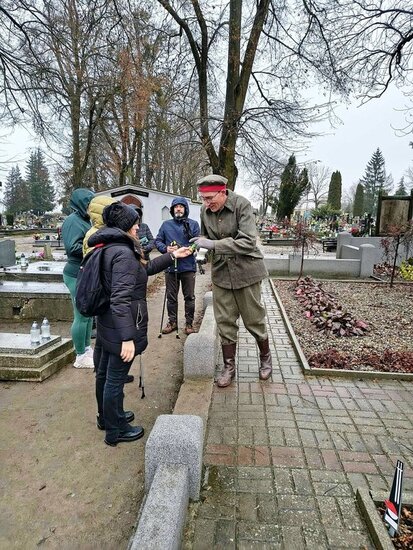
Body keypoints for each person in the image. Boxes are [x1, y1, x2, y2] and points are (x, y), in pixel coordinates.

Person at [87, 201, 192, 446]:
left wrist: (172, 256)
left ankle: (107, 417)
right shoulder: (124, 254)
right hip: (121, 326)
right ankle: (115, 430)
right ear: (124, 226)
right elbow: (120, 299)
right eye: (134, 224)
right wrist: (127, 338)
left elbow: (144, 270)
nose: (138, 227)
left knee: (104, 374)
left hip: (107, 323)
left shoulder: (110, 246)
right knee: (114, 379)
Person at [189, 174, 273, 387]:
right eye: (203, 198)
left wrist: (213, 245)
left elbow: (248, 242)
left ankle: (265, 358)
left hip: (247, 271)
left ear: (223, 192)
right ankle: (229, 367)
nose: (206, 203)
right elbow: (205, 237)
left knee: (253, 318)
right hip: (221, 273)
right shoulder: (205, 210)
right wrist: (199, 250)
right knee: (225, 321)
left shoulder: (241, 205)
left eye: (210, 198)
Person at [155, 197, 200, 335]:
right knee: (171, 297)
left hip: (188, 266)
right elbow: (158, 241)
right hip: (171, 266)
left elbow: (197, 242)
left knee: (189, 297)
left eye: (181, 206)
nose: (178, 209)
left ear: (185, 209)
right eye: (176, 207)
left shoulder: (193, 224)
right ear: (172, 210)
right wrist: (166, 248)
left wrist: (191, 249)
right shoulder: (166, 225)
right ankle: (172, 322)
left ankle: (189, 324)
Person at [61, 188, 95, 369]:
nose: (91, 206)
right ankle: (80, 355)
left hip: (85, 272)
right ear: (81, 204)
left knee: (88, 315)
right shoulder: (72, 221)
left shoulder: (85, 220)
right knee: (81, 315)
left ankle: (87, 348)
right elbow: (72, 247)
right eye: (88, 203)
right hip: (75, 273)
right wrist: (95, 247)